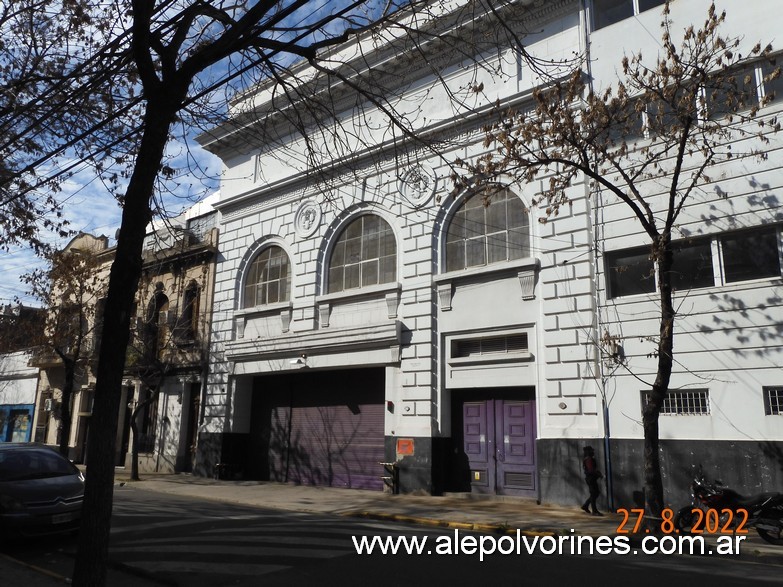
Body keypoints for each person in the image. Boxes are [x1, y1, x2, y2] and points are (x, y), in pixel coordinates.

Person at [581, 445, 603, 516]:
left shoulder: (587, 459)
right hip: (591, 478)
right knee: (594, 494)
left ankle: (586, 505)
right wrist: (598, 474)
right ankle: (594, 510)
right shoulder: (589, 459)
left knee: (595, 493)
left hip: (591, 478)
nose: (593, 452)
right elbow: (591, 470)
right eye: (591, 451)